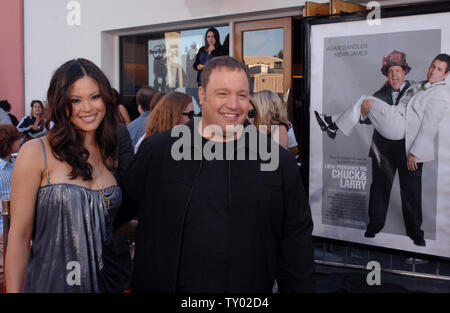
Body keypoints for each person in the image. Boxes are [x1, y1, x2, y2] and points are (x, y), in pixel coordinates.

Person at [114, 56, 314, 293]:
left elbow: (297, 253)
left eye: (241, 95)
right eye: (222, 93)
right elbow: (118, 214)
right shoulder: (158, 151)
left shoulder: (278, 164)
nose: (233, 104)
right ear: (202, 95)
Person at [5, 58, 124, 292]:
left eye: (95, 97)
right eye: (76, 100)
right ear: (61, 104)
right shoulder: (36, 152)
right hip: (51, 284)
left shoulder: (109, 153)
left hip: (107, 284)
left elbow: (105, 223)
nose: (88, 108)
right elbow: (19, 235)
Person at [315, 51, 445, 246]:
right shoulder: (380, 94)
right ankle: (374, 226)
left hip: (409, 147)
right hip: (383, 147)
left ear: (404, 73)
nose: (394, 75)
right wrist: (369, 112)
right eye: (391, 71)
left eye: (398, 71)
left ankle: (415, 231)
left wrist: (416, 151)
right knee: (379, 189)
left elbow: (429, 123)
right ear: (387, 74)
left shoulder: (417, 88)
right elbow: (367, 118)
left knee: (411, 191)